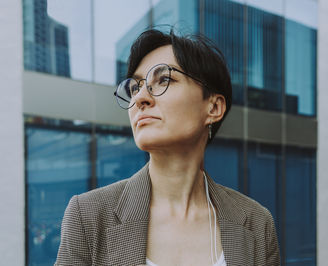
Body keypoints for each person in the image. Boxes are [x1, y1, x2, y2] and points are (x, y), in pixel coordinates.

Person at [55, 29, 280, 266]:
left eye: (164, 79)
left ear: (214, 108)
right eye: (135, 87)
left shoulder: (256, 223)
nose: (140, 97)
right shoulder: (89, 215)